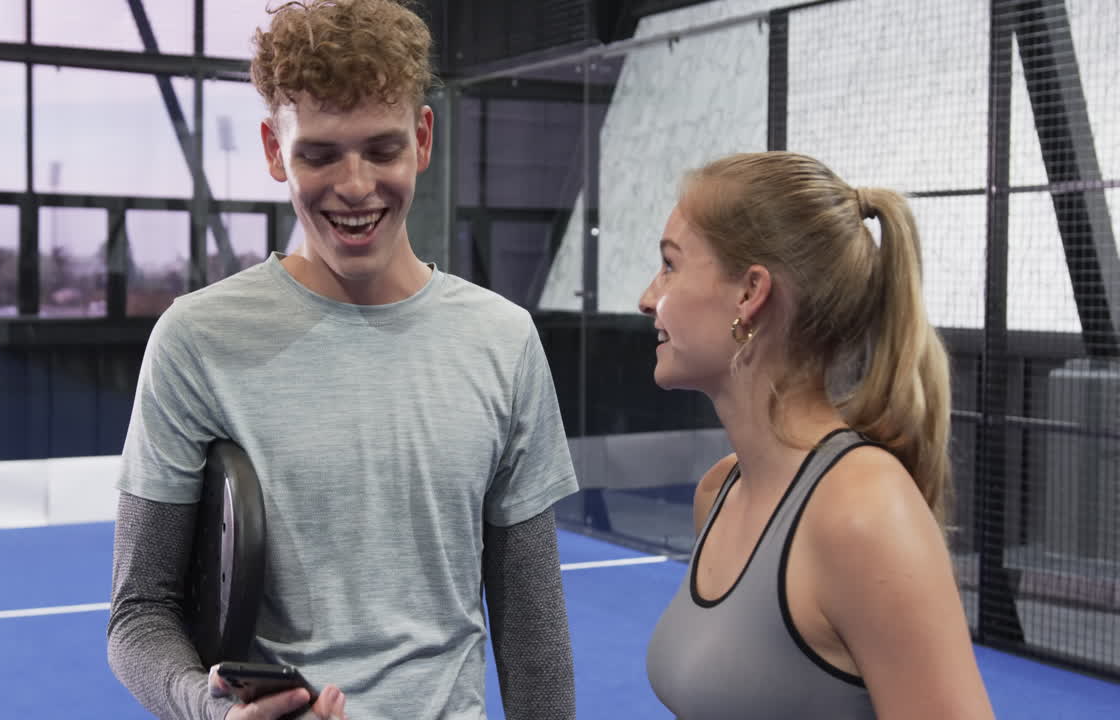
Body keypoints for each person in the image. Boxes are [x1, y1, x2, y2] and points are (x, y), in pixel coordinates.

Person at [106, 1, 580, 719]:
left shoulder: (504, 340)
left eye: (382, 149)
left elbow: (533, 636)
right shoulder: (195, 340)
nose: (355, 186)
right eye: (320, 154)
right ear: (273, 150)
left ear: (423, 139)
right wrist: (207, 708)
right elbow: (140, 613)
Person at [639, 151, 996, 719]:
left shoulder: (864, 515)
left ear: (749, 293)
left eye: (670, 266)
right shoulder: (720, 493)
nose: (648, 298)